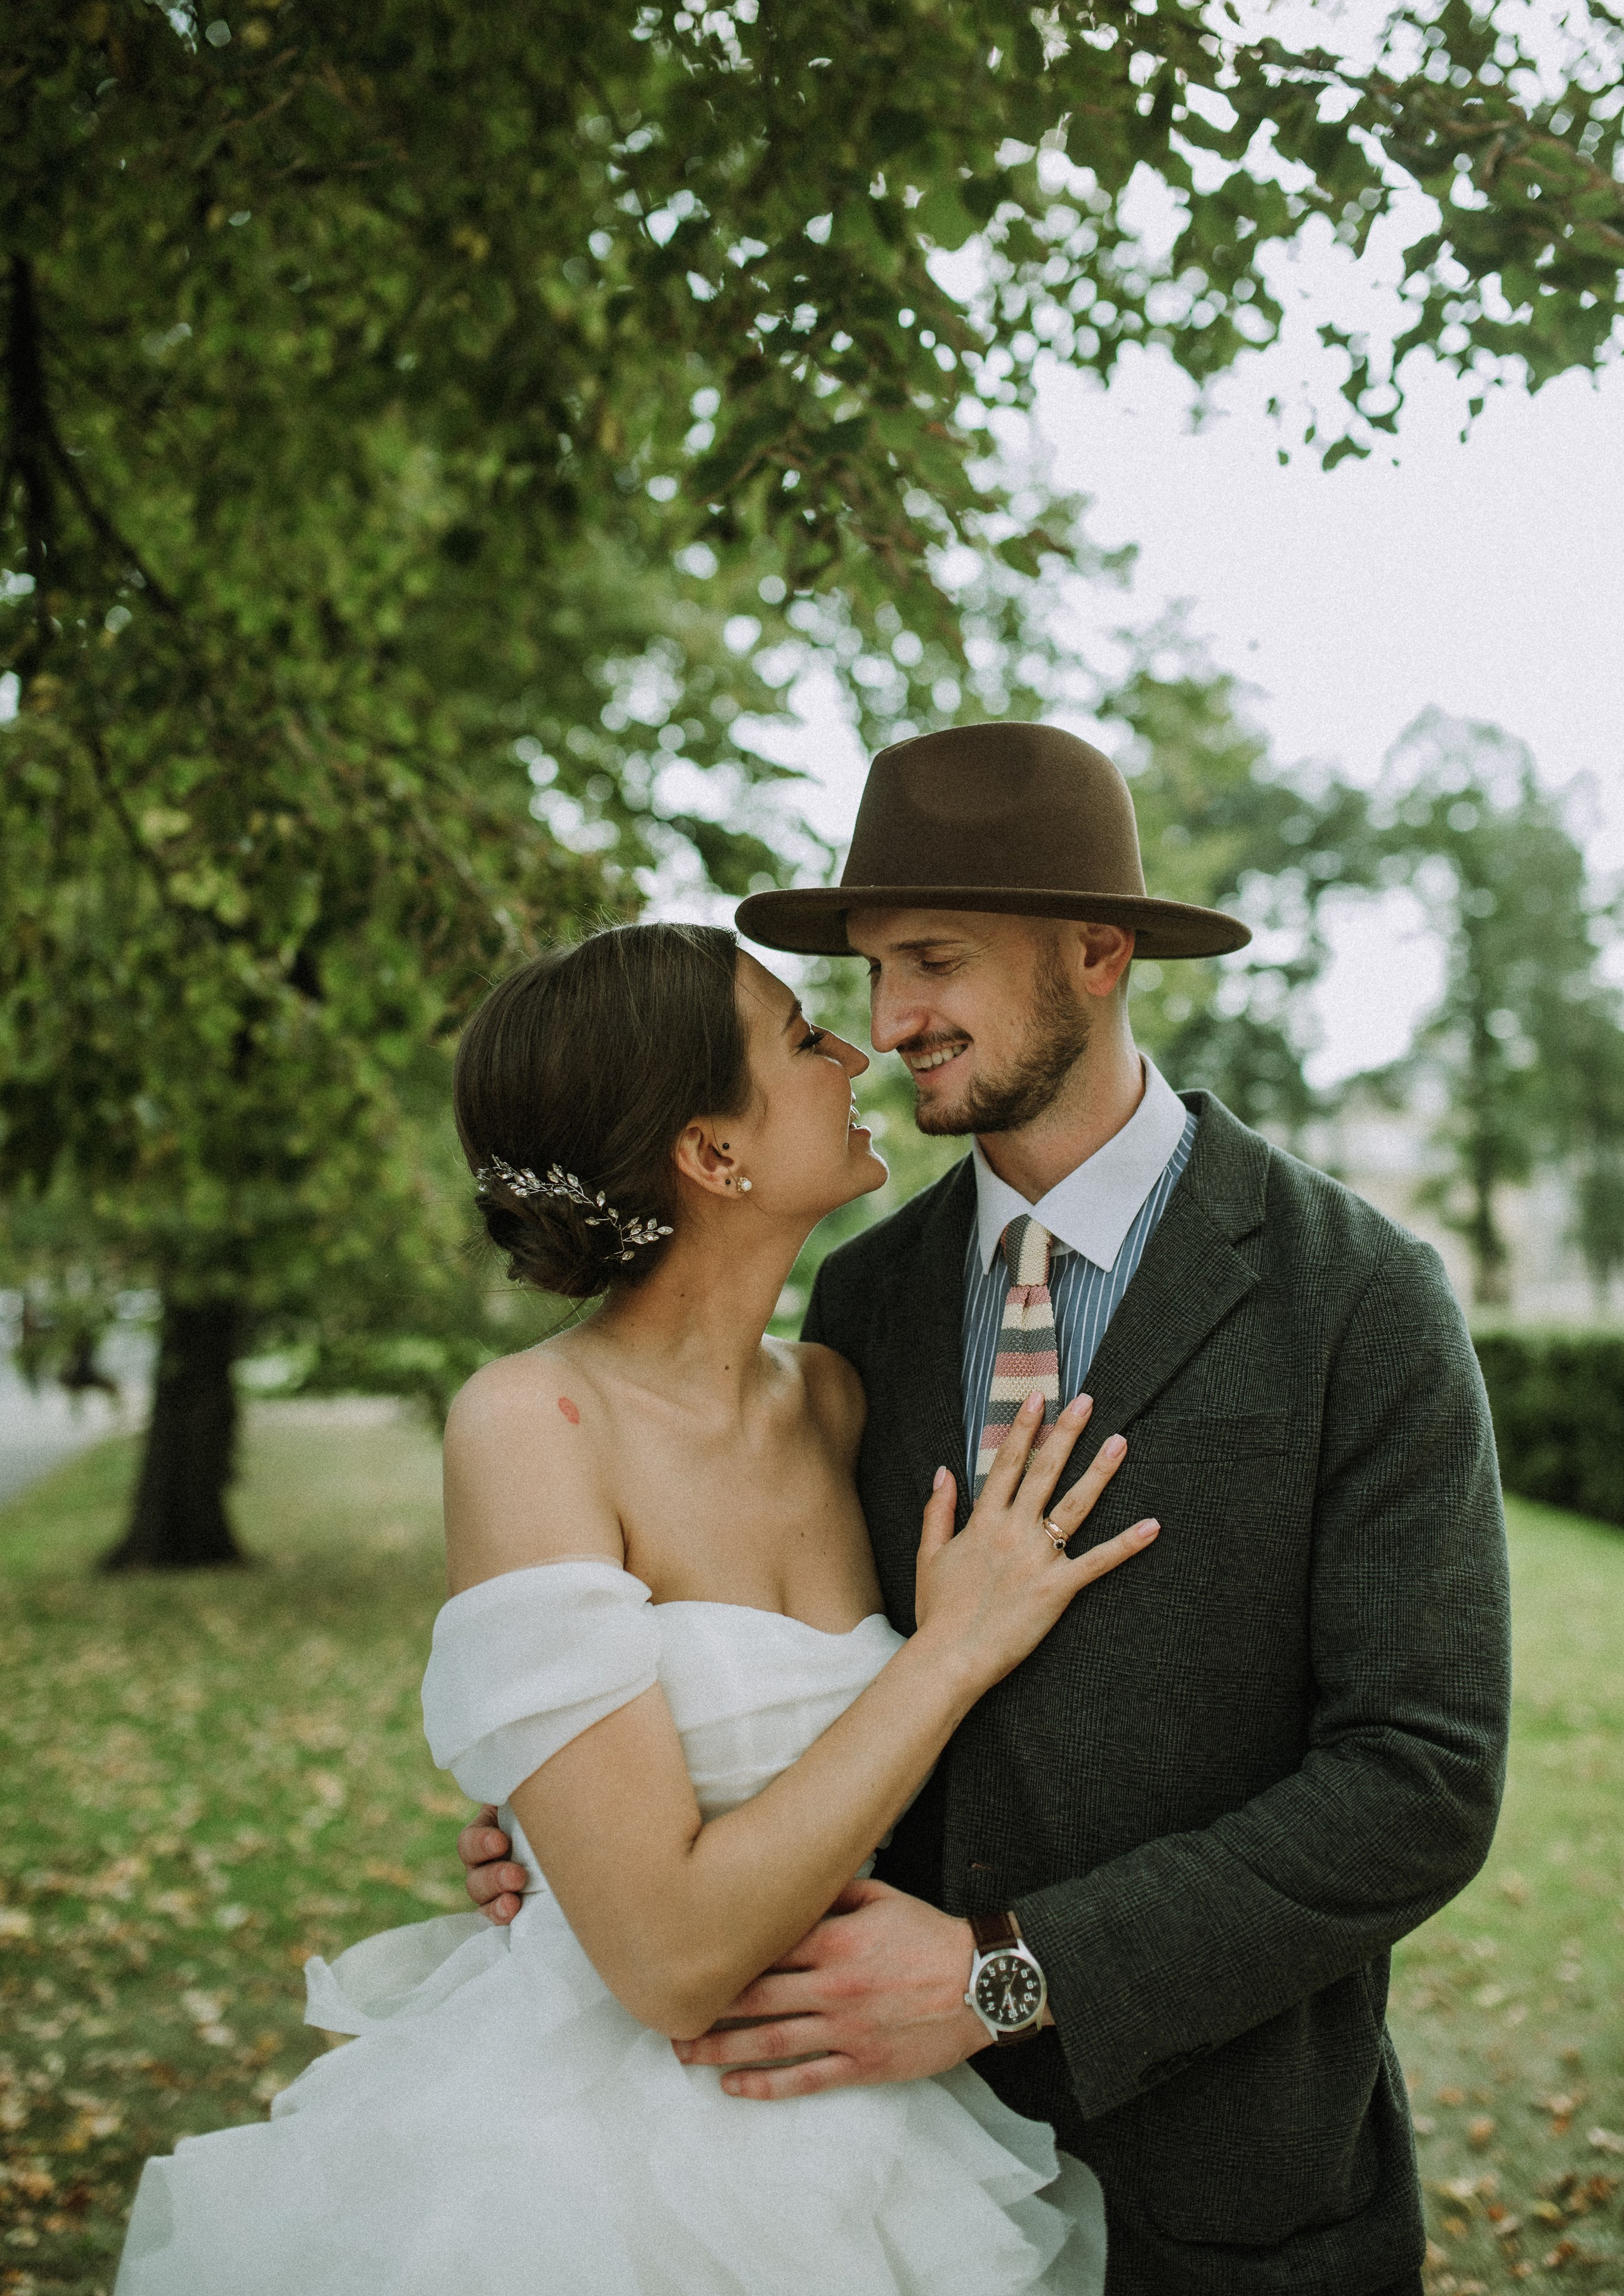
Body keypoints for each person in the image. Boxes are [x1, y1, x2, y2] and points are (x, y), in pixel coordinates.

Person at [463, 722, 1512, 2296]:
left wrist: (1010, 1977)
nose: (889, 1023)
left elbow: (1418, 1780)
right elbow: (783, 1641)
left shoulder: (1354, 1296)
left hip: (1230, 2187)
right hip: (872, 2172)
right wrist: (591, 1820)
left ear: (1095, 951)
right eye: (873, 972)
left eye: (932, 961)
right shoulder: (859, 1304)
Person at [115, 915, 1170, 2296]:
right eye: (801, 1038)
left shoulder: (840, 1394)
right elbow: (667, 1959)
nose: (856, 1045)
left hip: (874, 2125)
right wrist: (950, 1650)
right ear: (710, 1151)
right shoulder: (531, 1421)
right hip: (598, 2167)